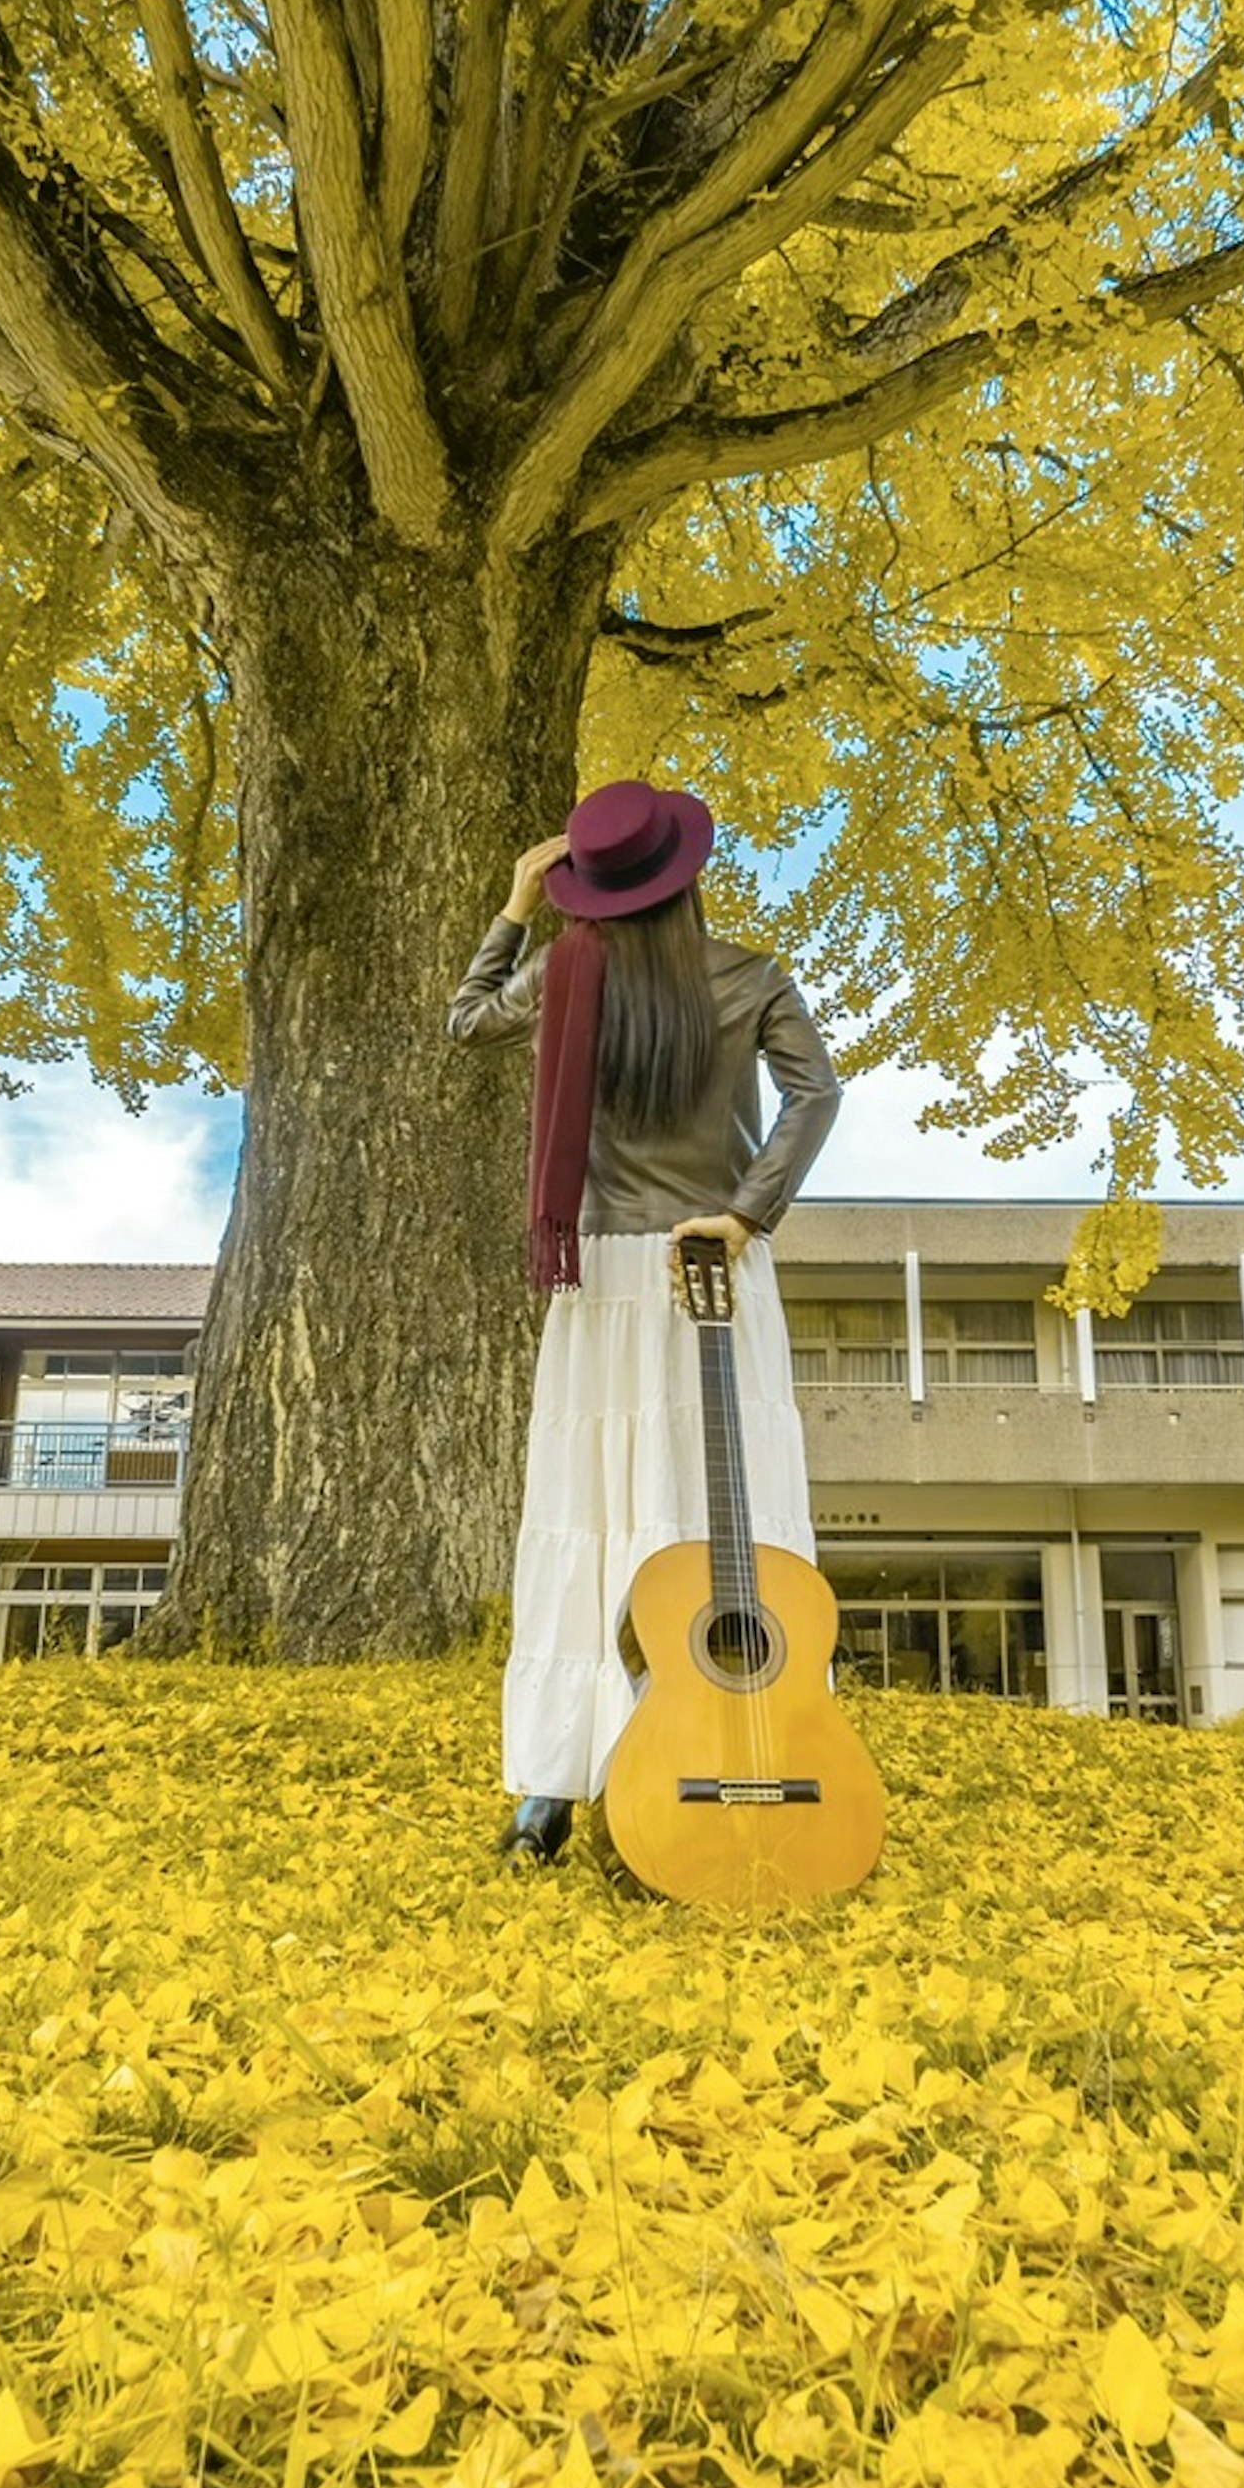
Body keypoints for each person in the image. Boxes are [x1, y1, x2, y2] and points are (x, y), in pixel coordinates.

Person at [449, 780, 843, 1861]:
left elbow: (467, 1020)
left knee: (594, 1508)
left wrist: (516, 905)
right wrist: (743, 1213)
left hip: (607, 1274)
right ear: (687, 875)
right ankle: (738, 1739)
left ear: (591, 890)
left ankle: (556, 1787)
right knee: (723, 1516)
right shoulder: (751, 977)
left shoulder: (565, 973)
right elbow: (817, 1095)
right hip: (710, 1261)